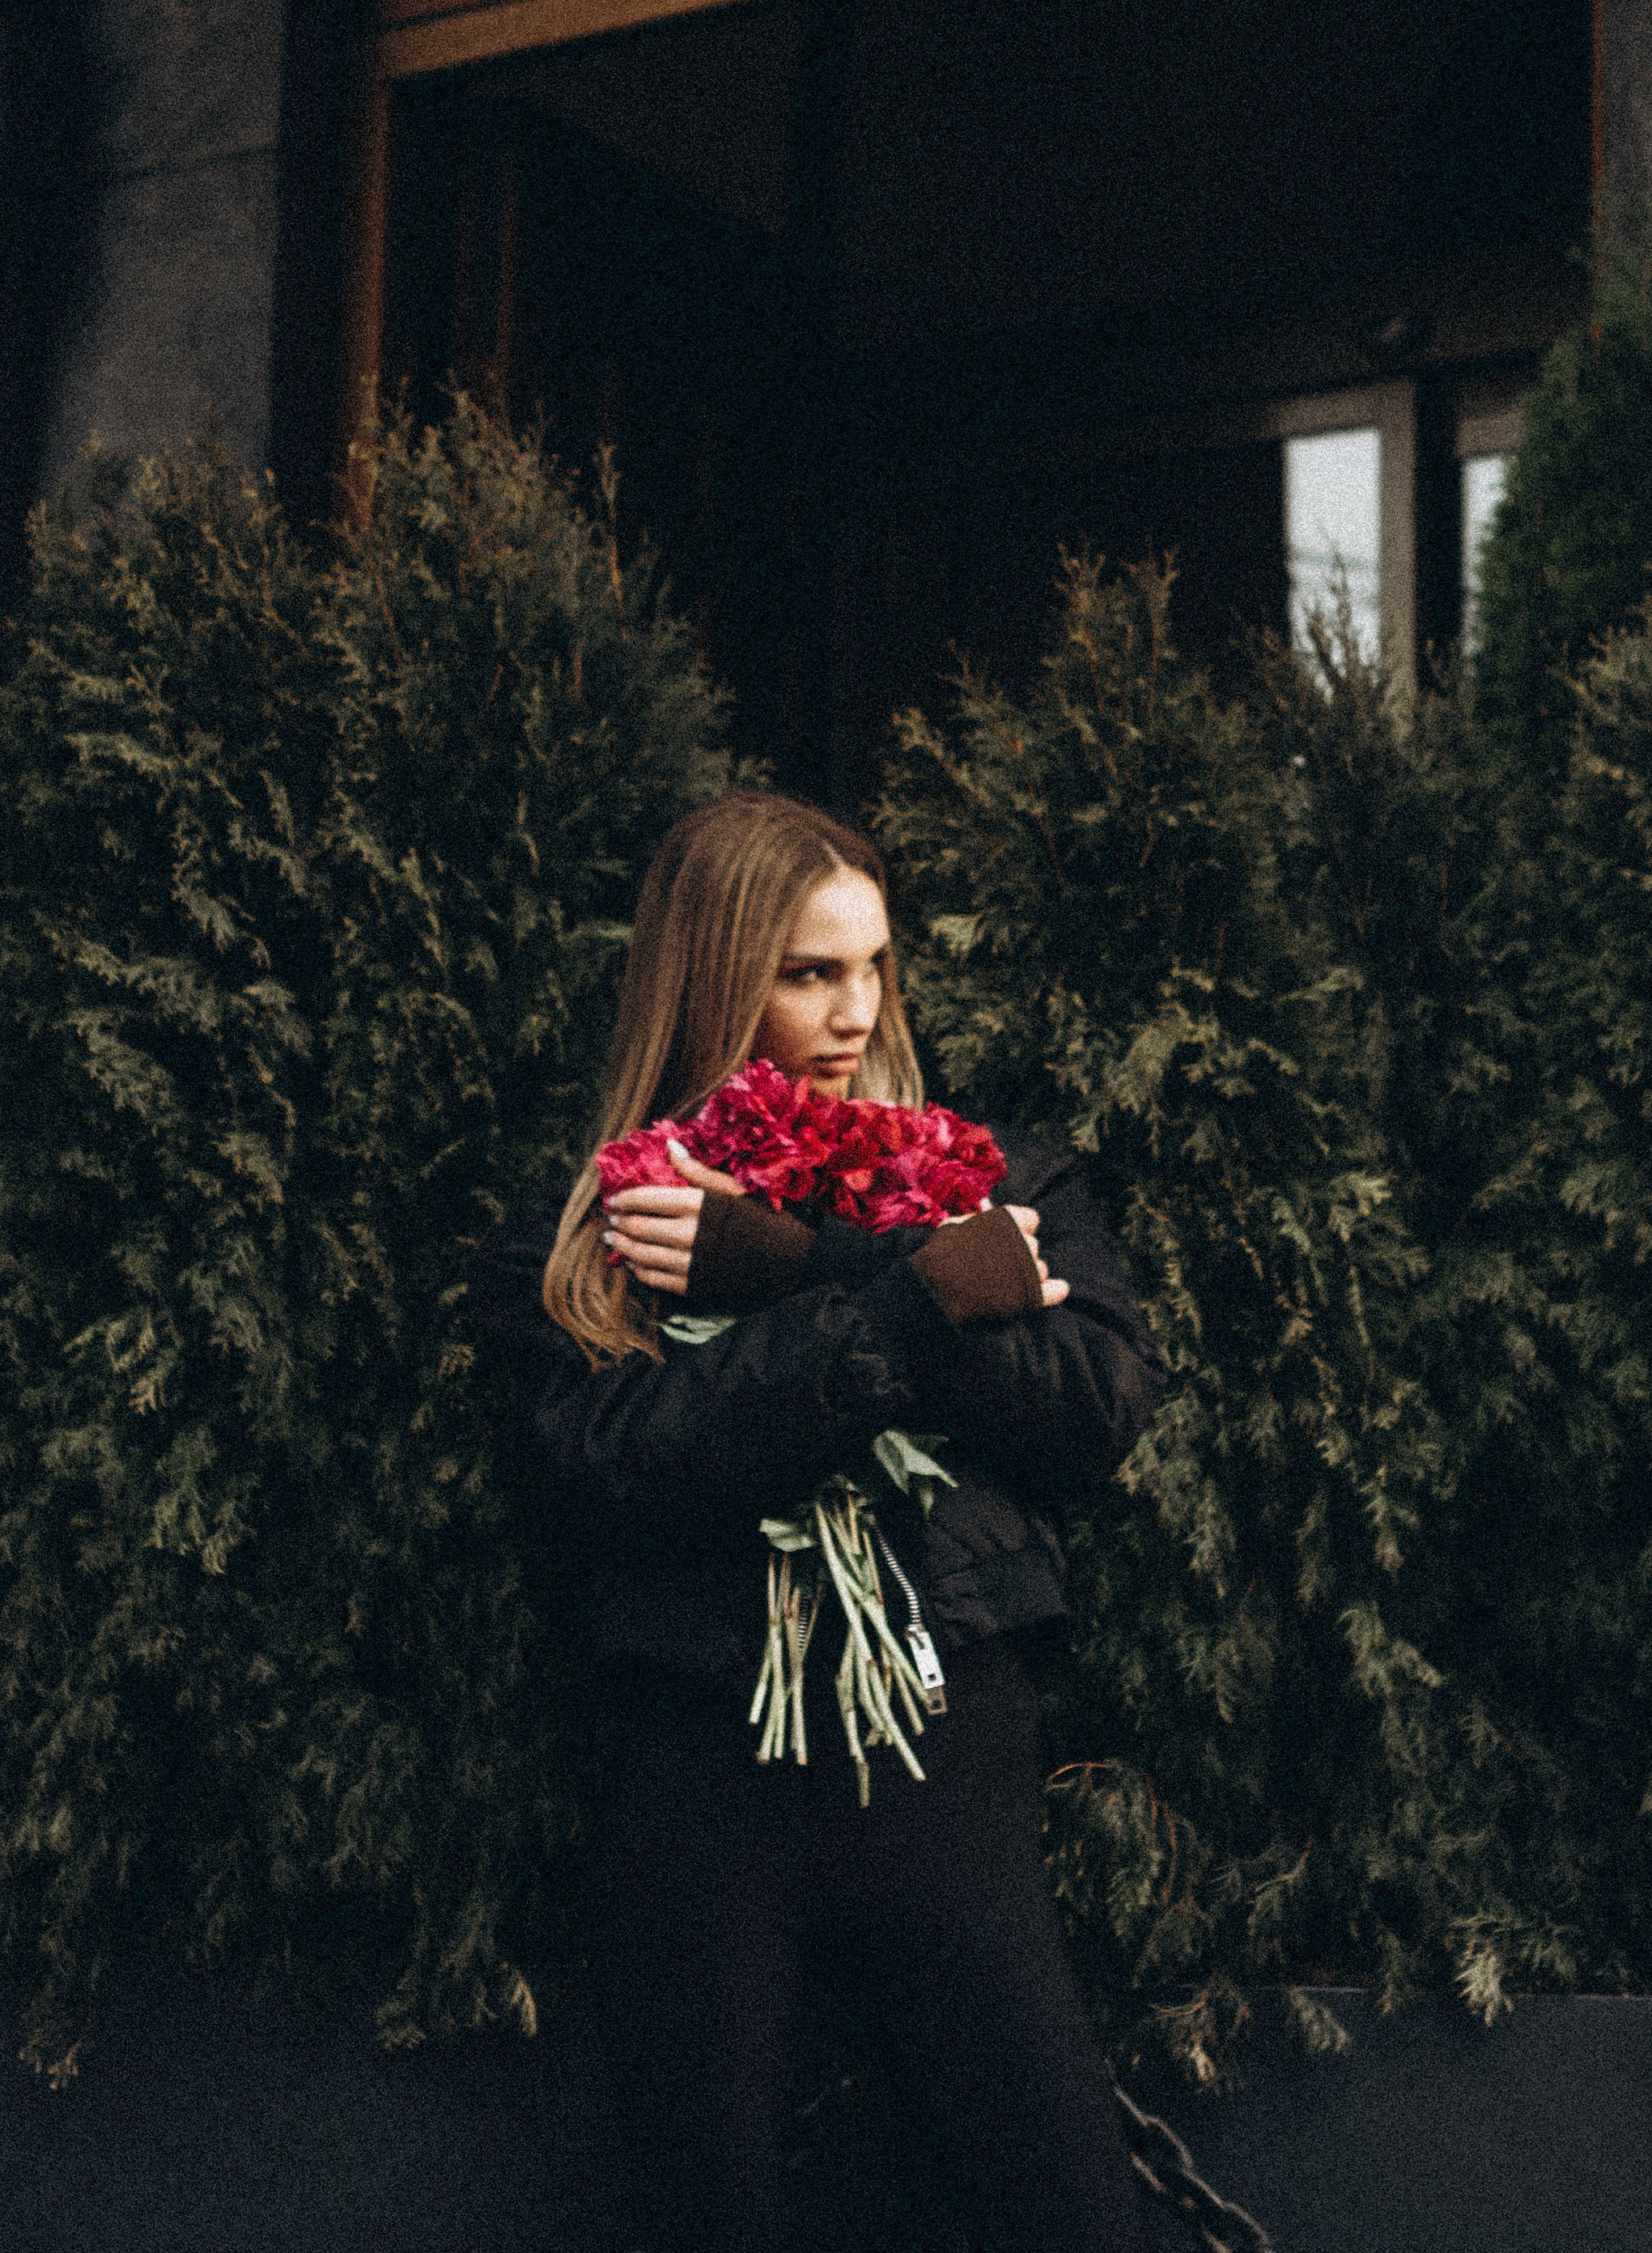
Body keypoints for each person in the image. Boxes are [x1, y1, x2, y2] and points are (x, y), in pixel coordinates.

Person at [480, 790, 1166, 2253]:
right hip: (703, 1768)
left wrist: (808, 1263)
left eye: (872, 967)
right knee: (707, 2215)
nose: (855, 1012)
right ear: (717, 977)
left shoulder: (993, 1181)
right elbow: (626, 1470)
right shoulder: (603, 1229)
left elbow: (1095, 1404)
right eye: (808, 973)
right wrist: (912, 1300)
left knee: (1065, 2210)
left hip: (947, 1750)